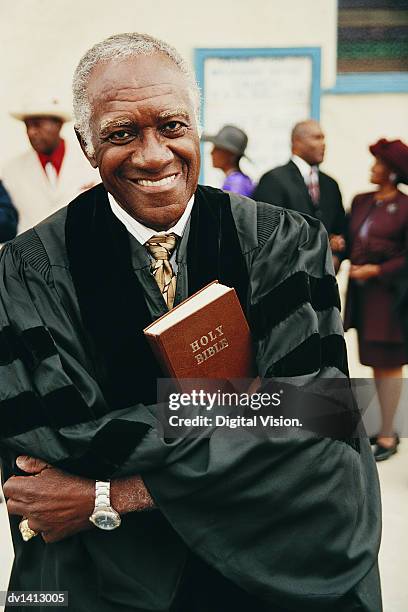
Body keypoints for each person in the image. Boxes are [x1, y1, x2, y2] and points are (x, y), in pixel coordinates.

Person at [0, 33, 381, 612]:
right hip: (110, 580)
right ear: (85, 141)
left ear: (196, 125)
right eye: (121, 133)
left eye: (172, 127)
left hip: (273, 564)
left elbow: (322, 428)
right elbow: (52, 444)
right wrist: (259, 403)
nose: (153, 155)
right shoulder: (24, 270)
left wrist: (113, 494)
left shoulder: (285, 240)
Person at [344, 138, 408, 462]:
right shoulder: (362, 201)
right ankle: (381, 423)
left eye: (378, 164)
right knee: (373, 363)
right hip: (365, 298)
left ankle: (388, 432)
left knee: (389, 365)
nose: (372, 168)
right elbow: (349, 235)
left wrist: (376, 270)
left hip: (391, 298)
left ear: (393, 172)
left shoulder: (406, 207)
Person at [253, 120, 345, 271]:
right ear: (297, 142)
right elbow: (267, 235)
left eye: (323, 138)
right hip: (287, 276)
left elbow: (340, 228)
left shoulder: (330, 184)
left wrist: (336, 256)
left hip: (324, 280)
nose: (323, 144)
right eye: (316, 138)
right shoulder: (273, 180)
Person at [1, 97, 96, 233]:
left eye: (37, 124)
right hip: (32, 252)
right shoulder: (11, 169)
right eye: (27, 126)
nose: (31, 132)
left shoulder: (90, 159)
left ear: (58, 125)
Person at [203, 124, 254, 196]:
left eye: (217, 149)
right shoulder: (236, 180)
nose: (211, 152)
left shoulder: (236, 184)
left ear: (231, 155)